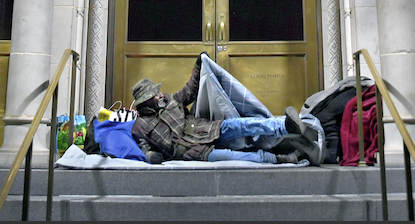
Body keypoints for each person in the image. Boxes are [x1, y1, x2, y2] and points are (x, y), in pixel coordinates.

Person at [130, 52, 319, 165]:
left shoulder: (171, 100)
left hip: (206, 129)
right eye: (155, 94)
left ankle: (285, 126)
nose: (160, 95)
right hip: (193, 152)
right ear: (146, 101)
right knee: (237, 157)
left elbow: (190, 90)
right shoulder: (139, 126)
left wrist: (198, 65)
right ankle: (281, 160)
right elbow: (144, 148)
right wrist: (149, 156)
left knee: (242, 125)